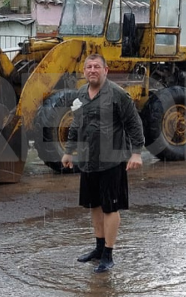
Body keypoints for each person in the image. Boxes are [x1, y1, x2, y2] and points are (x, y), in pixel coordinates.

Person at [61, 54, 145, 273]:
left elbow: (134, 124)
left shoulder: (117, 95)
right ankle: (98, 248)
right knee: (95, 205)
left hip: (112, 161)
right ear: (84, 71)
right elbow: (76, 124)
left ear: (105, 70)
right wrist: (69, 151)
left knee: (110, 207)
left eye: (96, 66)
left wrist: (136, 153)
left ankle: (108, 253)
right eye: (88, 67)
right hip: (89, 161)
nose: (92, 70)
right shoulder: (81, 94)